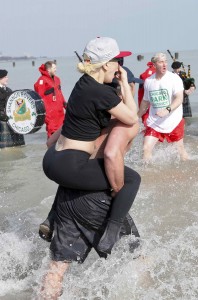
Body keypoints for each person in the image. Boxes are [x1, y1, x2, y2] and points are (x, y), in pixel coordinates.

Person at [42, 36, 140, 258]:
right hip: (70, 165)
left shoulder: (82, 85)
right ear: (106, 64)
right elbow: (132, 117)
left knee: (76, 175)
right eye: (117, 61)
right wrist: (124, 83)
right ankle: (111, 232)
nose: (119, 67)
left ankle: (52, 216)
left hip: (52, 159)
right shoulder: (102, 93)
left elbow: (51, 140)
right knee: (132, 179)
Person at [39, 116, 141, 300]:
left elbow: (50, 143)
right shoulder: (124, 120)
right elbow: (111, 153)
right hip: (97, 199)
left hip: (66, 196)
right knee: (135, 258)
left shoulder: (79, 117)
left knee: (57, 268)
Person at [138, 52, 189, 162]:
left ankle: (189, 170)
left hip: (174, 121)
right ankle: (148, 174)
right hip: (154, 121)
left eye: (166, 61)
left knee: (180, 150)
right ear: (154, 65)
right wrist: (136, 117)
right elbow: (145, 103)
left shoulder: (174, 78)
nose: (164, 64)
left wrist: (167, 110)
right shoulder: (148, 81)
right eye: (161, 62)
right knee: (146, 149)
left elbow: (179, 98)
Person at [34, 61, 67, 138]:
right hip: (50, 112)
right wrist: (44, 111)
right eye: (54, 68)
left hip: (59, 111)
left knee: (63, 130)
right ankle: (51, 148)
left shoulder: (57, 79)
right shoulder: (42, 80)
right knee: (52, 131)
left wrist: (65, 104)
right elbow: (39, 98)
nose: (56, 70)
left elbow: (60, 93)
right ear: (49, 69)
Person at [0, 69, 25, 148]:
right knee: (6, 145)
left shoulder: (8, 90)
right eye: (5, 77)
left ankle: (18, 146)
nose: (7, 78)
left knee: (18, 136)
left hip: (10, 117)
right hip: (2, 118)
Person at [138, 59, 156, 126]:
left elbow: (140, 93)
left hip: (145, 100)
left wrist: (140, 106)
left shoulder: (143, 74)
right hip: (155, 101)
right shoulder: (160, 73)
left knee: (146, 120)